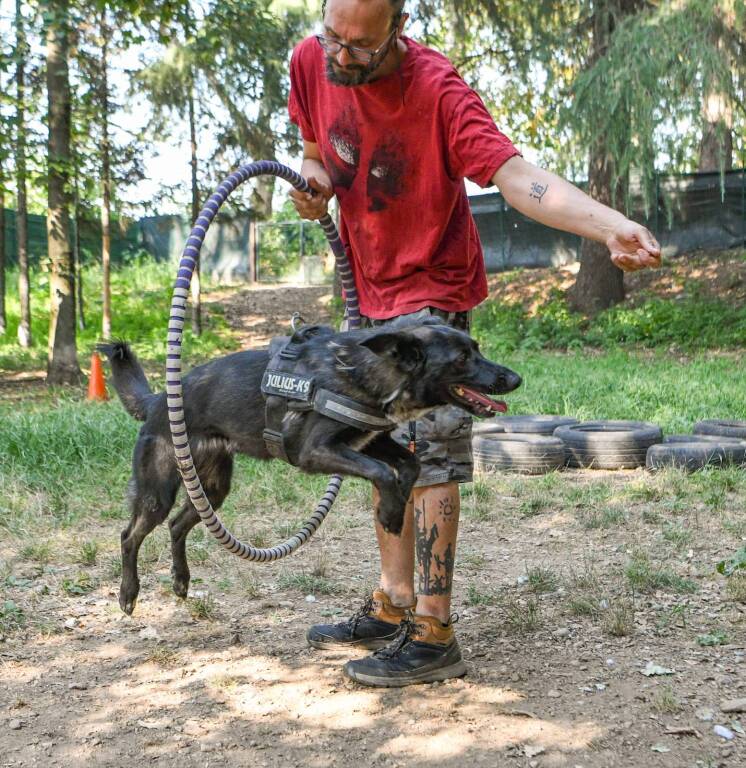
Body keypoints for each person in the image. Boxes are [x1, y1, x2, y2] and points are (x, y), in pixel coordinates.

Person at [287, 0, 660, 687]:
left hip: (431, 295)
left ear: (398, 29)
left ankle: (433, 632)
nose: (341, 57)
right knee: (375, 444)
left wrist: (606, 224)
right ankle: (395, 603)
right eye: (332, 37)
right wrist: (313, 184)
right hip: (367, 296)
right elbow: (316, 152)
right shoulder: (313, 60)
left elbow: (519, 179)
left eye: (360, 48)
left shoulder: (438, 89)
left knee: (430, 454)